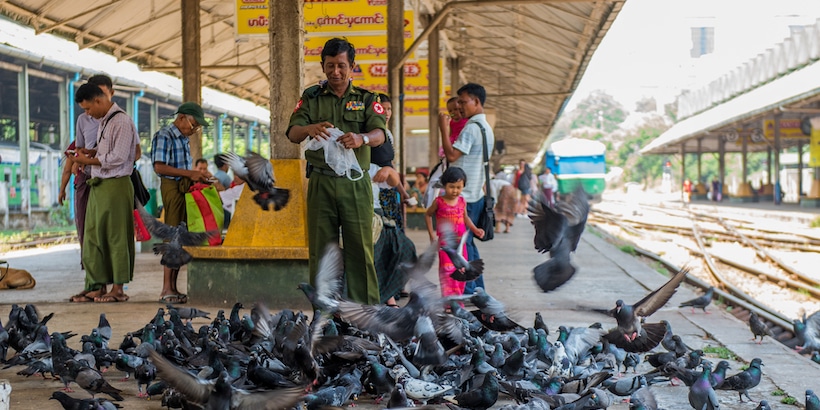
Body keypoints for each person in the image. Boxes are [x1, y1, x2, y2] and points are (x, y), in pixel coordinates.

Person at [286, 37, 387, 305]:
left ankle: (364, 312)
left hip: (355, 184)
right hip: (320, 183)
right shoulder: (311, 97)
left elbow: (380, 134)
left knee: (360, 249)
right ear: (323, 66)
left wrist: (361, 138)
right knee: (322, 250)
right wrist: (309, 128)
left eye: (341, 66)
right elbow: (293, 133)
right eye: (330, 66)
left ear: (352, 66)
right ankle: (325, 312)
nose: (335, 72)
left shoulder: (367, 99)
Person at [69, 83, 139, 303]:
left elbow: (119, 157)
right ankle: (98, 285)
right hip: (98, 184)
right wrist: (92, 151)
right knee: (93, 236)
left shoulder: (121, 121)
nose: (87, 114)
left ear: (99, 101)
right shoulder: (105, 121)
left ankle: (118, 288)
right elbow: (107, 150)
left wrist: (88, 160)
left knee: (116, 237)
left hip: (116, 184)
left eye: (88, 109)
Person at [151, 102, 213, 304]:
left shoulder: (184, 138)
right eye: (193, 125)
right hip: (171, 188)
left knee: (181, 236)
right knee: (173, 237)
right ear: (182, 118)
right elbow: (160, 167)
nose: (194, 130)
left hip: (183, 188)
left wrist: (197, 177)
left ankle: (174, 288)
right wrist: (190, 174)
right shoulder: (165, 135)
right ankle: (166, 289)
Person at [440, 83, 494, 294]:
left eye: (463, 102)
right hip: (476, 195)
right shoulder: (485, 127)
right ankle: (476, 289)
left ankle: (470, 289)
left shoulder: (471, 128)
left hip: (466, 197)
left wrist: (443, 129)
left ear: (476, 102)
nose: (460, 107)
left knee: (462, 246)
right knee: (468, 244)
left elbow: (452, 155)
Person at [58, 74, 117, 269]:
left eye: (103, 94)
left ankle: (108, 266)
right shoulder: (83, 119)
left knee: (109, 225)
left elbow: (130, 152)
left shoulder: (118, 119)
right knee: (84, 221)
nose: (96, 101)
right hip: (86, 175)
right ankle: (89, 263)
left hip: (110, 176)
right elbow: (78, 150)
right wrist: (80, 159)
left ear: (110, 94)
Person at [425, 167, 484, 298]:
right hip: (445, 245)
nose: (455, 191)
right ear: (444, 185)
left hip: (460, 245)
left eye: (459, 187)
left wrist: (475, 229)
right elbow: (428, 215)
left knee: (461, 270)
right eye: (452, 187)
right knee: (446, 270)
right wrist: (431, 234)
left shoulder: (462, 201)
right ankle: (448, 299)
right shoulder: (439, 202)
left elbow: (465, 218)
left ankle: (457, 299)